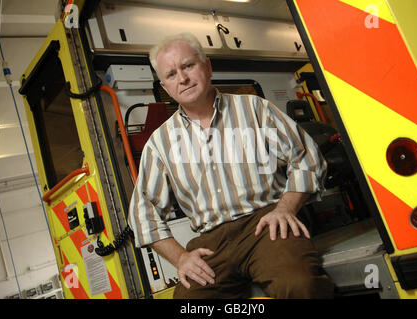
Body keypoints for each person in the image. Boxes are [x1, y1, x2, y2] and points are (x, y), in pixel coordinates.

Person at [128, 32, 334, 299]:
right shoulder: (160, 143)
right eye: (171, 74)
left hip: (266, 226)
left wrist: (286, 208)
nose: (182, 78)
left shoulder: (256, 109)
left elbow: (307, 159)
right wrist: (180, 258)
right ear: (165, 87)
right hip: (210, 245)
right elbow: (143, 214)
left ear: (207, 67)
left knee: (300, 286)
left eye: (188, 65)